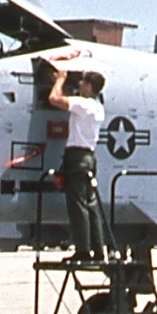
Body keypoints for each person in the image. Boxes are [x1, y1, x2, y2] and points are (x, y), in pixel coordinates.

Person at [47, 65, 110, 261]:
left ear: (90, 87)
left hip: (76, 157)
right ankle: (98, 250)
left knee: (77, 205)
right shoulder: (98, 107)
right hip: (89, 158)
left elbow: (53, 99)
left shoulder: (83, 105)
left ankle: (83, 250)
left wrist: (60, 79)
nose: (80, 84)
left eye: (84, 82)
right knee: (90, 205)